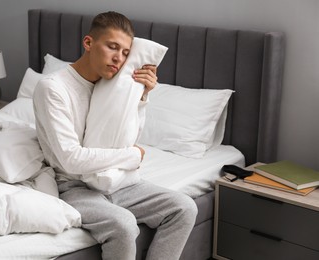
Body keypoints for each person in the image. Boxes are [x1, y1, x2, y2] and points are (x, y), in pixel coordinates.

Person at [33, 11, 198, 260]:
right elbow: (70, 159)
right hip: (74, 185)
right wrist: (131, 156)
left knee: (184, 207)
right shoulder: (53, 88)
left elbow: (127, 134)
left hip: (120, 182)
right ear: (89, 43)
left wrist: (141, 96)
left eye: (125, 53)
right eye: (112, 47)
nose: (118, 59)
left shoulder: (114, 85)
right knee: (123, 224)